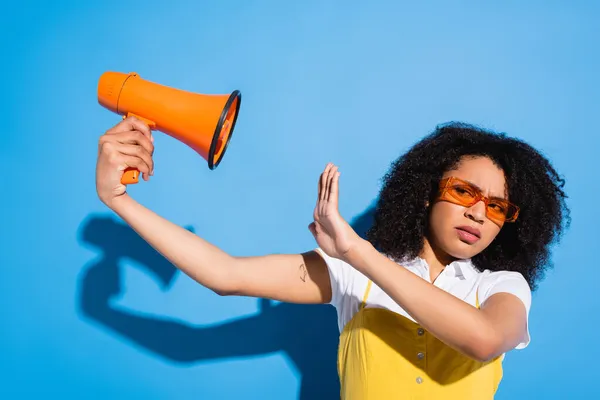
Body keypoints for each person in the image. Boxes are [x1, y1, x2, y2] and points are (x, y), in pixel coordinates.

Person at [95, 117, 569, 399]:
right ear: (427, 195)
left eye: (497, 206)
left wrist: (359, 254)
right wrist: (119, 199)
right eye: (463, 191)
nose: (477, 213)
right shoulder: (352, 276)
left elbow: (485, 340)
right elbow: (225, 274)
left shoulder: (501, 287)